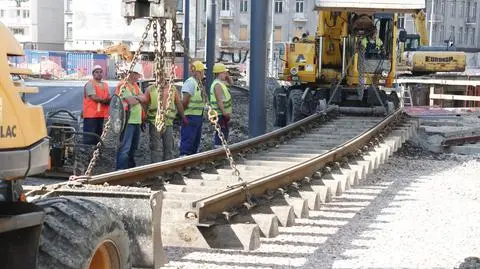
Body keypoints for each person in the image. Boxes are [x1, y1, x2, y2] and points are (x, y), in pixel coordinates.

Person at [144, 81, 187, 162]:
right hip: (155, 122)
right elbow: (145, 104)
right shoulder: (150, 89)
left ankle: (167, 169)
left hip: (168, 122)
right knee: (156, 147)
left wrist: (183, 117)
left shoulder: (172, 89)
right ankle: (156, 169)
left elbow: (178, 103)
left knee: (168, 147)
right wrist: (143, 118)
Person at [115, 64, 148, 170]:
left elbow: (145, 98)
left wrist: (136, 98)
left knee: (133, 148)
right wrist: (138, 98)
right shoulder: (123, 85)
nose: (138, 77)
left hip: (136, 121)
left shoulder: (135, 86)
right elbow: (131, 101)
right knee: (125, 147)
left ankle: (129, 169)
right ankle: (121, 170)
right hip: (127, 121)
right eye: (137, 75)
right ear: (132, 74)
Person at [179, 60, 206, 156]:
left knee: (194, 142)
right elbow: (185, 101)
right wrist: (182, 115)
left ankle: (190, 160)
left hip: (197, 116)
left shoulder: (197, 83)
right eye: (202, 71)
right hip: (190, 116)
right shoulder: (190, 83)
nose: (203, 73)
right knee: (188, 140)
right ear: (197, 72)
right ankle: (184, 159)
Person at [82, 65, 110, 145]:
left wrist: (109, 100)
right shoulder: (90, 84)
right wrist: (105, 101)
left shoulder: (105, 85)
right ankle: (87, 153)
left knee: (98, 136)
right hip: (91, 115)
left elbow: (108, 96)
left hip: (101, 115)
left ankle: (95, 151)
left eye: (101, 72)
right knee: (89, 137)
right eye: (97, 72)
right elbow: (93, 97)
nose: (99, 74)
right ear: (93, 74)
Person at [210, 62, 233, 149]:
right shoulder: (217, 85)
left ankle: (220, 149)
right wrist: (224, 113)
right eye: (224, 72)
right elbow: (219, 101)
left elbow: (232, 83)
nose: (226, 74)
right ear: (220, 73)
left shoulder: (220, 83)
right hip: (219, 114)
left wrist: (227, 76)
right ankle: (218, 149)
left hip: (221, 114)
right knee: (221, 132)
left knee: (224, 132)